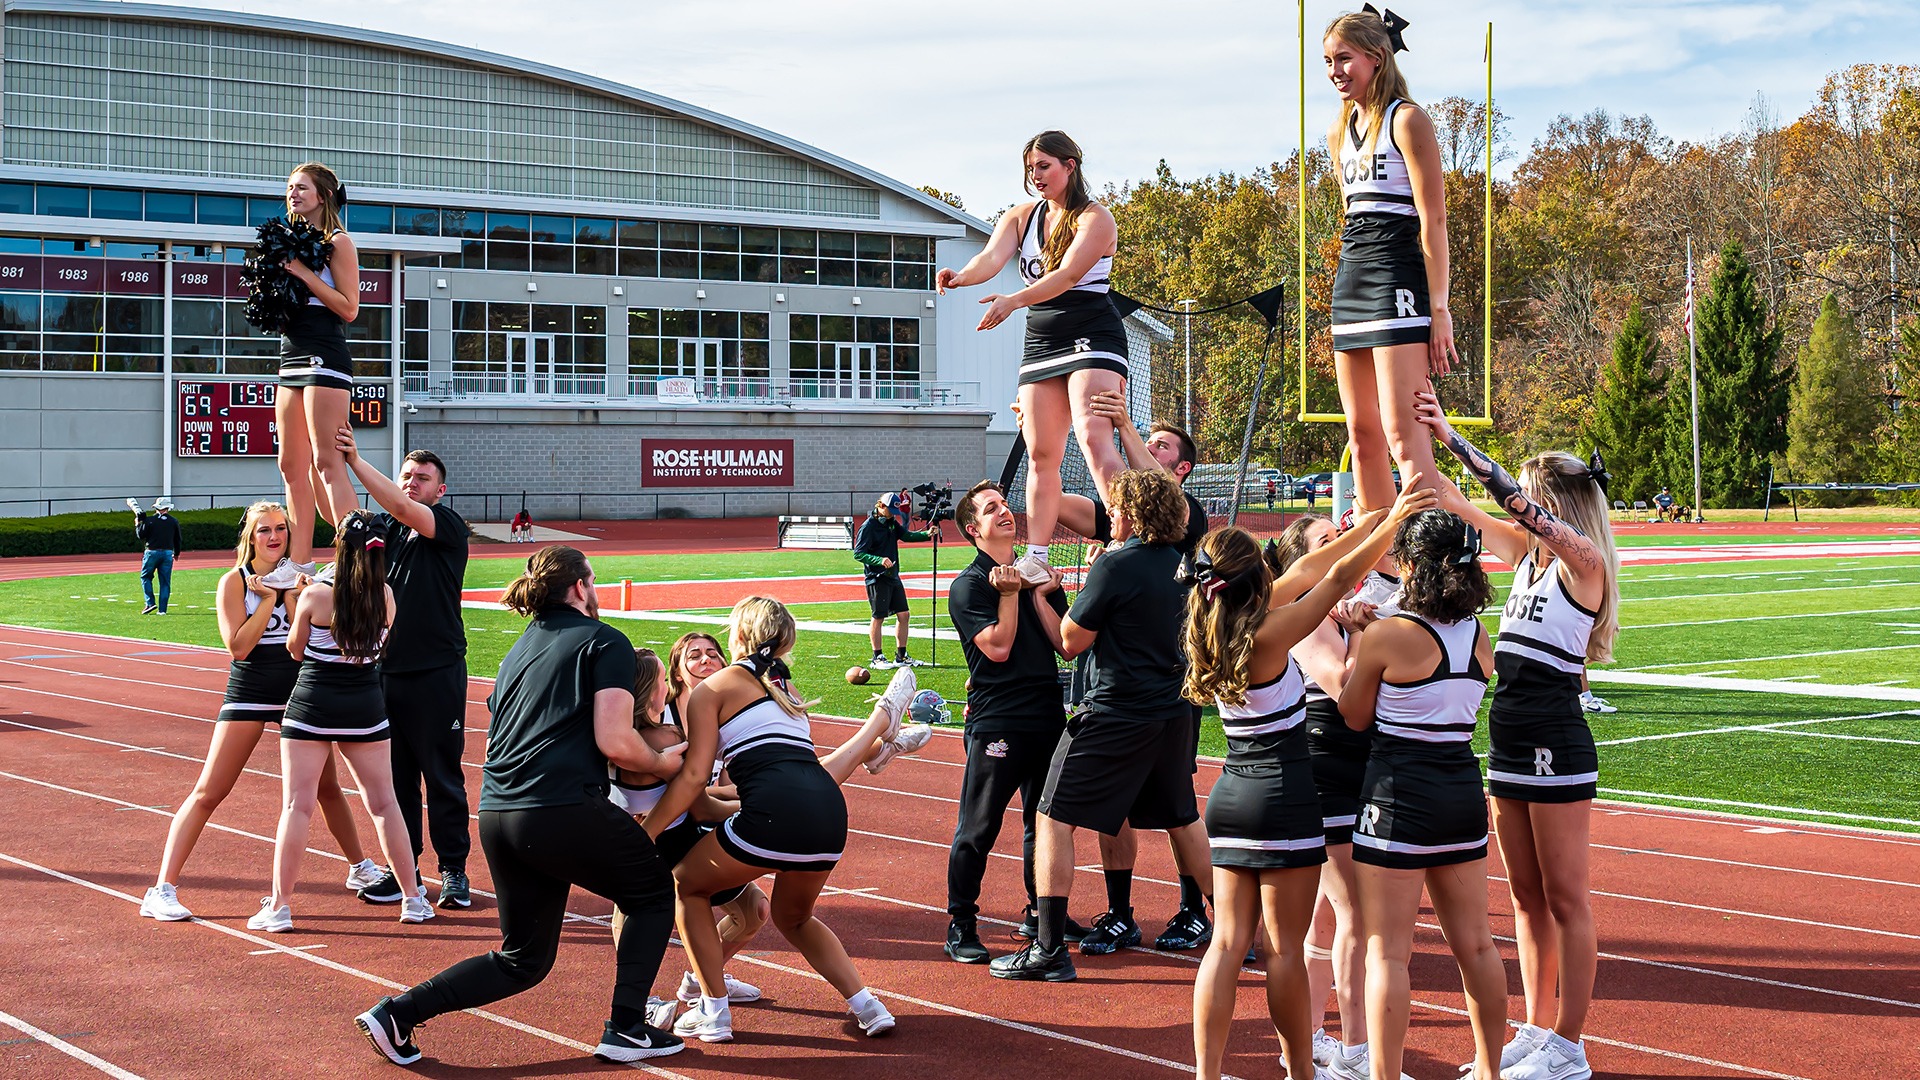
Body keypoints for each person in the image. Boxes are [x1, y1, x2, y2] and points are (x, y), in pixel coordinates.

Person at [355, 546, 687, 1066]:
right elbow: (617, 741)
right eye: (593, 581)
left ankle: (399, 1012)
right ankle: (626, 1026)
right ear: (579, 587)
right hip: (559, 807)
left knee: (523, 958)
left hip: (498, 812)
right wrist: (666, 765)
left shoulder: (520, 648)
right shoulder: (606, 641)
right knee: (650, 892)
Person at [1188, 484, 1430, 1080]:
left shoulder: (1210, 626)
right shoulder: (1270, 632)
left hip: (1230, 798)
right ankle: (1300, 1070)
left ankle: (1206, 1073)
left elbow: (1312, 565)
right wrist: (1394, 518)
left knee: (1225, 944)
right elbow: (1335, 573)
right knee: (1284, 952)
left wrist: (1371, 523)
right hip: (1283, 797)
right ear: (1253, 580)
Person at [1416, 392, 1620, 1080]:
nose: (1518, 510)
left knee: (1566, 898)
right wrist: (1408, 440)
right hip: (1506, 734)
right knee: (1525, 897)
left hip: (1554, 740)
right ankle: (1537, 1028)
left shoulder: (1580, 561)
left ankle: (1570, 1044)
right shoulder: (1526, 555)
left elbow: (1503, 502)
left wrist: (1452, 437)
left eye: (1531, 500)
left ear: (1554, 503)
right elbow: (1453, 499)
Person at [990, 469, 1208, 981]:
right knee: (1182, 816)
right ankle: (1239, 931)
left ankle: (1047, 949)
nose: (1110, 515)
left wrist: (1045, 597)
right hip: (1173, 711)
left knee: (1051, 817)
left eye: (1116, 508)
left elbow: (1070, 641)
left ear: (1131, 513)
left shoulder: (1116, 564)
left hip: (1117, 710)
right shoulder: (1185, 564)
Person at [654, 596, 901, 1042]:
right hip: (829, 813)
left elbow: (693, 778)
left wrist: (647, 830)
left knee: (686, 884)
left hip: (775, 813)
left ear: (741, 634)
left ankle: (713, 1011)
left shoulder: (716, 687)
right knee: (795, 917)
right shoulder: (784, 687)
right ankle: (868, 1005)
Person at [141, 501, 384, 923]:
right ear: (249, 537)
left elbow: (301, 640)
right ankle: (161, 888)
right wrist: (269, 598)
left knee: (327, 789)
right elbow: (238, 646)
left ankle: (360, 868)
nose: (273, 538)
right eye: (263, 531)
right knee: (210, 791)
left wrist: (293, 595)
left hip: (298, 695)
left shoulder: (303, 580)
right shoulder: (233, 582)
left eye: (280, 530)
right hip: (249, 693)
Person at [1340, 507, 1509, 1080]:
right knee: (1479, 946)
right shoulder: (1480, 634)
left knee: (1387, 951)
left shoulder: (1389, 633)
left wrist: (1362, 636)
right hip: (1460, 790)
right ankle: (1489, 1069)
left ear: (1411, 566)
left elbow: (1354, 715)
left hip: (1397, 795)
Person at [937, 130, 1127, 584]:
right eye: (1030, 169)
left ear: (1069, 166)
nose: (1035, 176)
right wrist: (961, 277)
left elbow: (1066, 275)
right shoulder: (1021, 216)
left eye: (1044, 166)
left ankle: (1124, 538)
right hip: (1042, 338)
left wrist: (1013, 301)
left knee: (1093, 434)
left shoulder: (1095, 218)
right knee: (1041, 452)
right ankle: (1038, 554)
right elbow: (990, 258)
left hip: (1091, 331)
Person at [1268, 514, 1405, 1078]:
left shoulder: (1348, 606)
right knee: (1355, 916)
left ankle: (1313, 1038)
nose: (1344, 548)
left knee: (1328, 920)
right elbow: (1340, 683)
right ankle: (1354, 1052)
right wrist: (1364, 634)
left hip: (1358, 764)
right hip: (1327, 766)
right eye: (1328, 542)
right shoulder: (1300, 616)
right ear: (1303, 562)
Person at [254, 511, 428, 933]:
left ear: (339, 545)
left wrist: (297, 597)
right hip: (365, 707)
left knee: (297, 805)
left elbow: (295, 650)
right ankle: (414, 899)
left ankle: (279, 907)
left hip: (312, 705)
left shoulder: (315, 595)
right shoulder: (385, 595)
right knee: (385, 804)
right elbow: (376, 649)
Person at [943, 479, 1086, 964]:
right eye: (991, 509)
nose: (1005, 512)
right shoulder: (967, 585)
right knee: (979, 827)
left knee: (1043, 824)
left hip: (1047, 714)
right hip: (998, 720)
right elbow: (999, 648)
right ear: (972, 529)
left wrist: (1044, 593)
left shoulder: (1031, 572)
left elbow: (1065, 645)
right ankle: (961, 923)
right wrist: (1008, 593)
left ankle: (1040, 914)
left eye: (1005, 504)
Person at [1323, 9, 1456, 518]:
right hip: (1351, 278)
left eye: (1345, 59)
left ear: (1377, 59)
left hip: (1397, 278)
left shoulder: (1406, 118)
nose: (1336, 71)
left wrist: (1438, 309)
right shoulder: (1339, 131)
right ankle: (1381, 568)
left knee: (1405, 436)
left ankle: (1431, 571)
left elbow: (1435, 219)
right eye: (1329, 62)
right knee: (1362, 436)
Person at [338, 429, 474, 910]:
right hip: (385, 672)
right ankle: (405, 871)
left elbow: (397, 506)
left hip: (437, 670)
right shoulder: (387, 532)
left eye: (422, 478)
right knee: (395, 781)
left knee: (441, 776)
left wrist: (356, 460)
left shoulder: (448, 526)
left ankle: (454, 871)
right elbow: (341, 513)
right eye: (406, 476)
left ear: (440, 490)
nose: (412, 483)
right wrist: (321, 461)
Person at [261, 162, 359, 588]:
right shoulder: (286, 242)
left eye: (301, 187)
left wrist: (301, 272)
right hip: (291, 353)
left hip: (325, 352)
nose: (293, 194)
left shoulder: (339, 242)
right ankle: (299, 561)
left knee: (327, 460)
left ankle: (349, 558)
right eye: (289, 188)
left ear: (322, 195)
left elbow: (350, 307)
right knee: (290, 464)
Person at [853, 491, 931, 669]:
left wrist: (926, 534)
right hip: (877, 578)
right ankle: (877, 656)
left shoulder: (891, 523)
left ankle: (901, 655)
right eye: (890, 510)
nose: (892, 515)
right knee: (878, 617)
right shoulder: (868, 527)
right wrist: (879, 560)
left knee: (904, 614)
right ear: (880, 506)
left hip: (893, 576)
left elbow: (906, 536)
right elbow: (858, 553)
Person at [130, 496, 184, 614]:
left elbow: (141, 535)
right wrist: (177, 553)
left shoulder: (150, 520)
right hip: (167, 553)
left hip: (151, 551)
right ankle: (162, 610)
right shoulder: (173, 521)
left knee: (146, 577)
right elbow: (178, 539)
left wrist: (138, 524)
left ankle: (150, 602)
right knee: (165, 581)